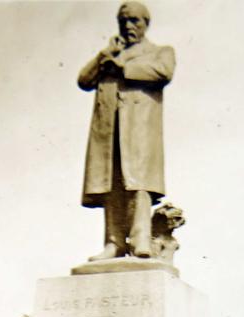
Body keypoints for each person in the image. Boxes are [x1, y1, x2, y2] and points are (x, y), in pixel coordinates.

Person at [78, 2, 175, 260]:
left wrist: (122, 68)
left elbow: (164, 71)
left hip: (138, 129)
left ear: (146, 23)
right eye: (124, 21)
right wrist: (105, 55)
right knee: (111, 183)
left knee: (138, 182)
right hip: (108, 131)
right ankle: (114, 242)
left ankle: (141, 238)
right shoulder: (109, 55)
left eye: (135, 21)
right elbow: (83, 80)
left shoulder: (160, 52)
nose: (129, 26)